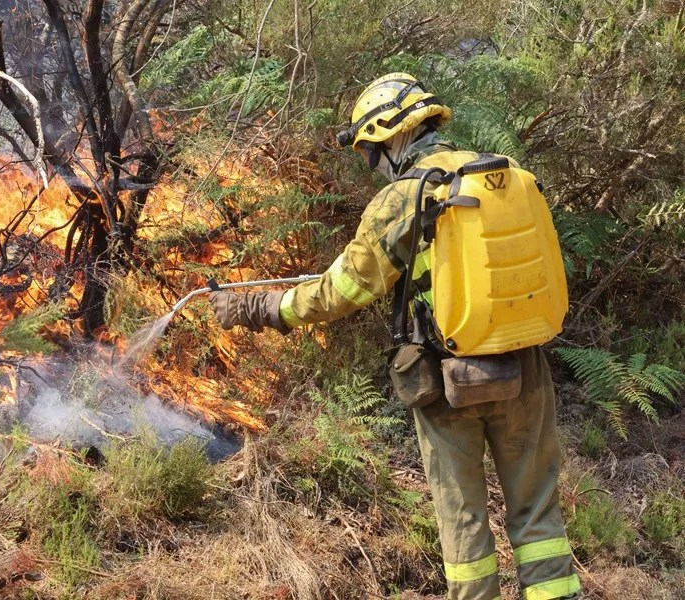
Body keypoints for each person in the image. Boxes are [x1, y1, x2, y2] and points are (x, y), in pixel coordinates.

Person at [209, 73, 581, 600]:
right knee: (538, 516)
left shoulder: (406, 196)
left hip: (450, 382)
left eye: (369, 152)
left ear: (390, 137)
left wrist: (259, 306)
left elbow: (341, 292)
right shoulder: (505, 176)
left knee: (464, 523)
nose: (370, 164)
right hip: (526, 368)